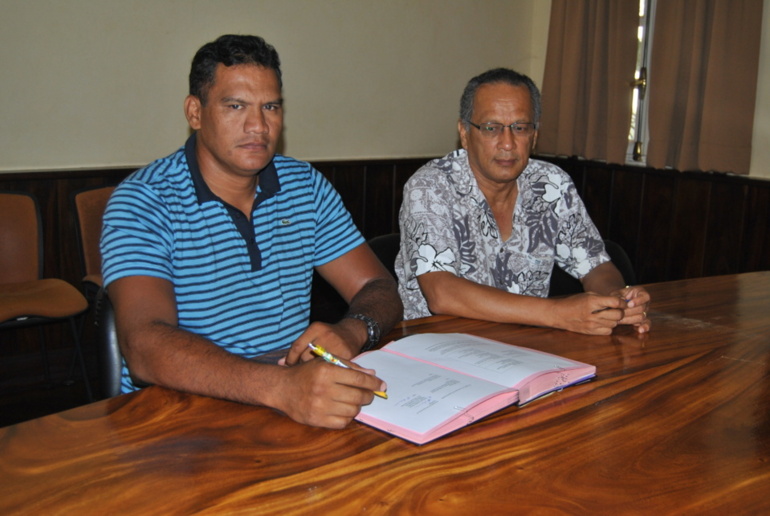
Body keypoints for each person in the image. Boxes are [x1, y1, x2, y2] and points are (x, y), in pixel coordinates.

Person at [100, 35, 402, 429]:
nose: (258, 125)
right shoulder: (143, 201)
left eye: (270, 107)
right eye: (235, 106)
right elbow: (144, 347)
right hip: (178, 419)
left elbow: (379, 287)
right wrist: (280, 388)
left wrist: (352, 330)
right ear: (195, 112)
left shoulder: (304, 187)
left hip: (290, 405)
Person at [395, 68, 650, 335]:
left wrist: (617, 300)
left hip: (525, 346)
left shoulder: (551, 184)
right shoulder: (430, 187)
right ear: (465, 133)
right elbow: (441, 294)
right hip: (438, 351)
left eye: (520, 128)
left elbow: (595, 265)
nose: (507, 143)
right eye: (491, 128)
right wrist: (558, 314)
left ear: (534, 135)